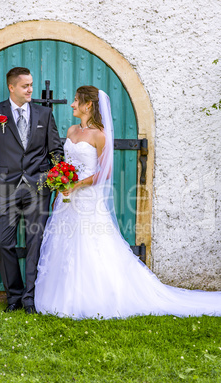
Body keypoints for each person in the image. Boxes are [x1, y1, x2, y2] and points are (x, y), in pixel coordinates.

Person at [34, 85, 221, 319]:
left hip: (88, 201)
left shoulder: (100, 135)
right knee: (63, 242)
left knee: (89, 246)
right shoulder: (72, 131)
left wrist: (77, 185)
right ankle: (59, 297)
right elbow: (67, 164)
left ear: (88, 105)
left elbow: (105, 172)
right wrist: (62, 183)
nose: (72, 104)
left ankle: (94, 298)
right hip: (66, 200)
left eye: (75, 100)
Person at [0, 67, 63, 314]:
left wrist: (57, 179)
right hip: (5, 189)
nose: (30, 90)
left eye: (31, 85)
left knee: (36, 242)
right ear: (11, 87)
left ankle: (30, 299)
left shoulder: (44, 114)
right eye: (25, 86)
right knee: (3, 242)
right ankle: (13, 295)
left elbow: (55, 151)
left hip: (38, 188)